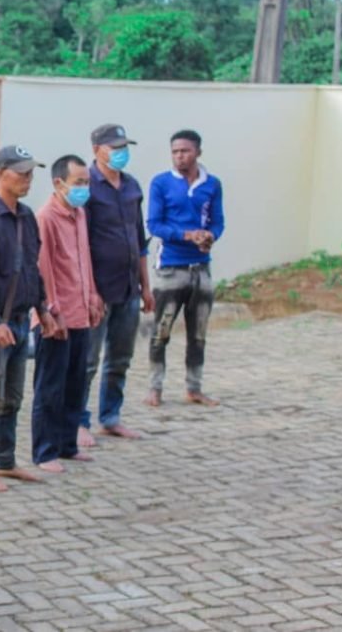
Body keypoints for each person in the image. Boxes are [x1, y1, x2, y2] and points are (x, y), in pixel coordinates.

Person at [0, 146, 56, 492]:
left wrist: (42, 310)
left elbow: (32, 269)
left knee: (13, 398)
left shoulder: (27, 217)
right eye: (21, 173)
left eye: (31, 173)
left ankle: (6, 460)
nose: (28, 179)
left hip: (20, 320)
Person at [79, 124, 153, 446]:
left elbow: (139, 240)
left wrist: (146, 286)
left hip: (128, 288)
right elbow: (80, 244)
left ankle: (110, 417)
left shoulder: (132, 186)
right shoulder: (86, 188)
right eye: (114, 147)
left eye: (124, 147)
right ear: (96, 149)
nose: (120, 153)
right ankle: (77, 420)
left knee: (120, 357)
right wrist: (90, 290)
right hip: (99, 290)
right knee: (88, 360)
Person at [31, 155, 104, 474]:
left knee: (75, 383)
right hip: (55, 319)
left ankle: (67, 444)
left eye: (87, 182)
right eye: (79, 183)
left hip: (81, 313)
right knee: (50, 386)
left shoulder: (81, 215)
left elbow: (83, 260)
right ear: (58, 183)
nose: (84, 189)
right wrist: (51, 312)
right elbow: (43, 269)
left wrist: (92, 297)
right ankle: (45, 451)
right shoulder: (45, 217)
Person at [145, 129, 225, 408]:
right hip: (170, 268)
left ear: (198, 152)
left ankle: (194, 387)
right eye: (175, 151)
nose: (180, 156)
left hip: (201, 268)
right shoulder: (161, 183)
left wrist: (210, 236)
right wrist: (188, 235)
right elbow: (154, 225)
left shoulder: (212, 184)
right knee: (161, 330)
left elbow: (218, 222)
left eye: (185, 151)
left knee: (198, 333)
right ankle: (155, 388)